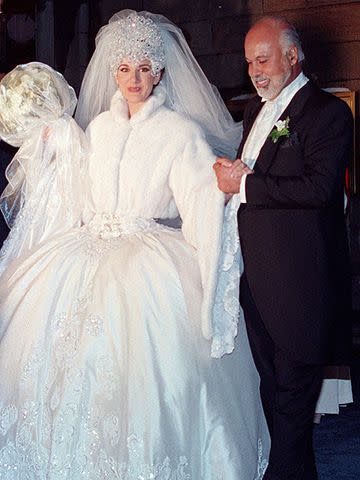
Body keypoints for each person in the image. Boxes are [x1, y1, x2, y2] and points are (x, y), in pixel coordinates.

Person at [0, 12, 270, 479]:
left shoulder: (179, 132)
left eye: (144, 68)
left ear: (160, 72)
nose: (134, 78)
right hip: (84, 252)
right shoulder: (99, 128)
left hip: (148, 261)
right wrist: (52, 147)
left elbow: (199, 199)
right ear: (113, 71)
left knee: (144, 374)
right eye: (125, 68)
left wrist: (219, 194)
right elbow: (76, 188)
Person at [213, 16, 353, 480]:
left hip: (301, 288)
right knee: (275, 399)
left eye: (263, 59)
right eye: (249, 61)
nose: (254, 70)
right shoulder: (256, 111)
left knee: (292, 405)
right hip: (257, 282)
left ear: (292, 57)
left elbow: (319, 189)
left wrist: (246, 184)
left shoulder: (329, 114)